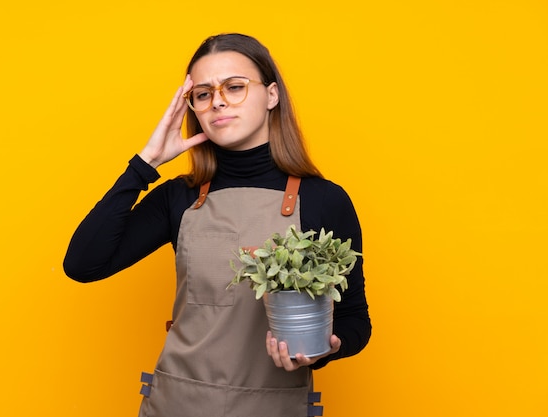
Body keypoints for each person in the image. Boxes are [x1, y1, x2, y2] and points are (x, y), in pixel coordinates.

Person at [63, 33, 371, 417]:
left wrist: (321, 350)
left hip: (272, 407)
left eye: (235, 87)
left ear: (272, 95)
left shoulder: (325, 200)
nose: (218, 101)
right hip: (175, 404)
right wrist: (145, 164)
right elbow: (82, 264)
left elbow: (355, 319)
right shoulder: (180, 197)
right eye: (203, 93)